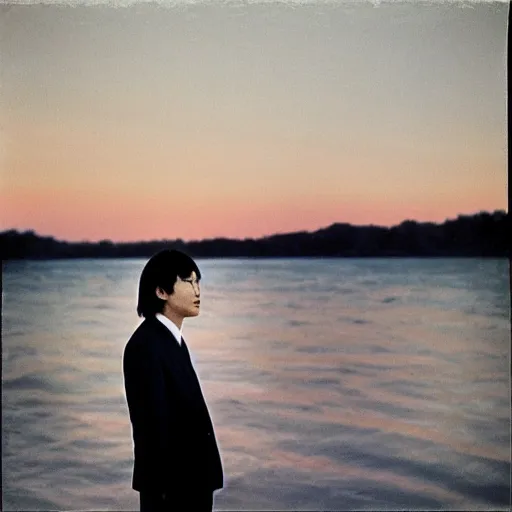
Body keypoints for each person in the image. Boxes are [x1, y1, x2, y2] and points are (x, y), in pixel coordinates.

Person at [123, 249, 223, 512]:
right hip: (173, 492)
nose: (197, 291)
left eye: (198, 281)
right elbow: (151, 429)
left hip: (191, 484)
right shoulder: (146, 345)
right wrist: (164, 495)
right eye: (188, 282)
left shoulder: (172, 340)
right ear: (161, 292)